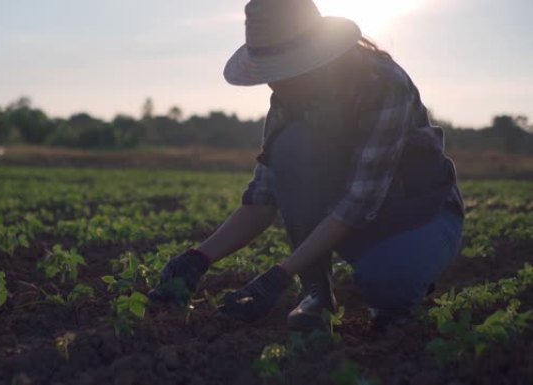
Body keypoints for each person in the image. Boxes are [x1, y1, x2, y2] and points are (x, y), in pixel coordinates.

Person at [148, 0, 464, 331]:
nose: (275, 84)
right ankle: (318, 292)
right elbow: (262, 198)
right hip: (351, 223)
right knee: (290, 146)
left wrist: (278, 276)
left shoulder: (382, 84)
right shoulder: (289, 97)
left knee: (385, 285)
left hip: (418, 213)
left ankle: (407, 274)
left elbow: (358, 203)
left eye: (283, 69)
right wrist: (197, 260)